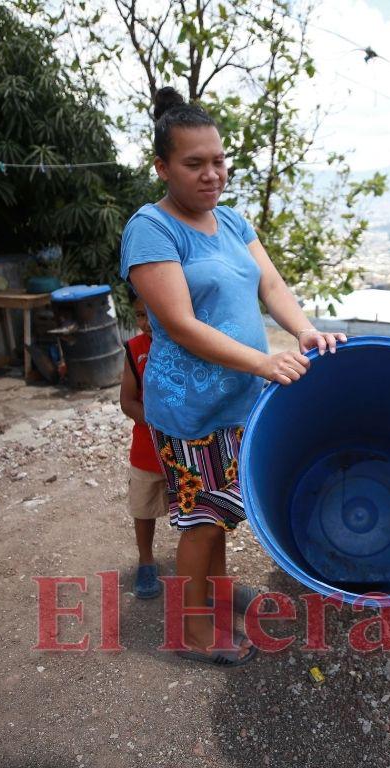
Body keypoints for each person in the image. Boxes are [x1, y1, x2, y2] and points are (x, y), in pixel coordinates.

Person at [120, 86, 346, 666]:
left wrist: (303, 331)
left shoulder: (233, 220)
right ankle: (191, 632)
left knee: (220, 513)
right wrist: (264, 362)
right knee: (199, 524)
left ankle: (214, 601)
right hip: (191, 407)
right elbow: (180, 323)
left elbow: (269, 285)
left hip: (239, 400)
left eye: (218, 160)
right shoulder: (151, 229)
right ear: (162, 167)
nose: (211, 174)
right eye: (194, 163)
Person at [119, 287, 168, 600]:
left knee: (193, 510)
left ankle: (198, 564)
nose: (147, 322)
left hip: (185, 448)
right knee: (143, 507)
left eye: (153, 312)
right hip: (148, 450)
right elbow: (127, 401)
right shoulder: (134, 349)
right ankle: (146, 560)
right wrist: (157, 421)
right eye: (139, 314)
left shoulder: (185, 345)